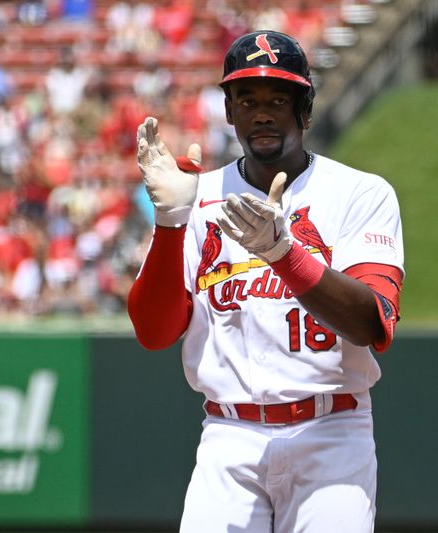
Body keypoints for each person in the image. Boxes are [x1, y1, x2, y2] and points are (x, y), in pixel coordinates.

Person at [128, 30, 404, 533]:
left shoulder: (360, 193)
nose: (262, 112)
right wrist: (170, 220)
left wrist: (283, 254)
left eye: (279, 98)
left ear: (306, 108)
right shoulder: (196, 195)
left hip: (331, 431)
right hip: (228, 435)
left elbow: (370, 322)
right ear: (229, 112)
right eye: (247, 99)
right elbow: (154, 332)